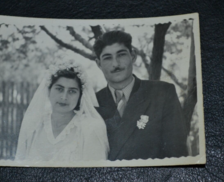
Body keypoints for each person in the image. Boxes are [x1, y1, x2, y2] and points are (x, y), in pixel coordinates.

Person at [93, 30, 188, 160]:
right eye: (107, 57)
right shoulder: (93, 102)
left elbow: (177, 153)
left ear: (133, 56)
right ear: (98, 63)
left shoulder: (162, 93)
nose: (115, 64)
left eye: (121, 55)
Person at [15, 59, 109, 161]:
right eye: (59, 89)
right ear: (49, 90)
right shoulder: (34, 125)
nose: (64, 97)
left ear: (80, 96)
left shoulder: (91, 128)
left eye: (72, 91)